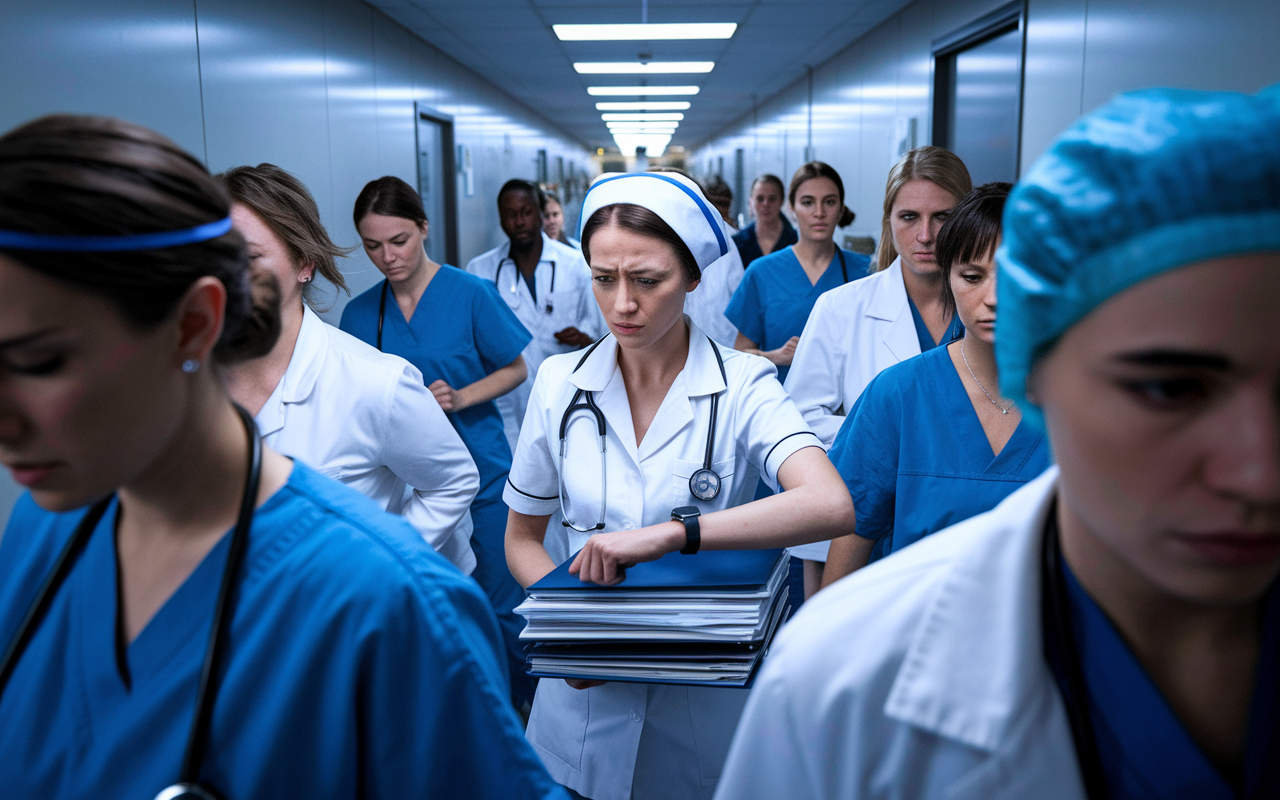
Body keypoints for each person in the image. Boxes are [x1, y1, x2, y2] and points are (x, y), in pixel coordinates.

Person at [715, 86, 1280, 799]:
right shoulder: (836, 681)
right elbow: (843, 522)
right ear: (1048, 371)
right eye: (1171, 388)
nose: (1259, 473)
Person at [0, 114, 566, 799]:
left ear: (194, 324)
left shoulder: (394, 606)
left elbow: (457, 469)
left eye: (40, 361)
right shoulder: (41, 529)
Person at [503, 170, 856, 800]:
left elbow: (829, 503)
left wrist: (673, 535)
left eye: (647, 280)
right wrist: (575, 635)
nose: (622, 305)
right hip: (580, 718)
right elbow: (523, 537)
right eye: (604, 279)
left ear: (693, 277)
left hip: (703, 715)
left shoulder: (745, 382)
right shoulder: (559, 385)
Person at [220, 163, 480, 573]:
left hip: (351, 614)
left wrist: (377, 568)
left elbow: (453, 481)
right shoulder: (184, 382)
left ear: (305, 263)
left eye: (249, 258)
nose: (226, 277)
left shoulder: (376, 382)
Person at [337, 176, 535, 705]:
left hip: (485, 475)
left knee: (503, 606)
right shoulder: (360, 315)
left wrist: (461, 398)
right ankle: (463, 714)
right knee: (435, 606)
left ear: (424, 228)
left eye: (398, 241)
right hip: (404, 491)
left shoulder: (470, 293)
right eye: (373, 246)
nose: (387, 257)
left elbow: (515, 368)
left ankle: (520, 714)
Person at [820, 182, 1051, 582]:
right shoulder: (897, 396)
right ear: (949, 277)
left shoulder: (1082, 402)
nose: (993, 297)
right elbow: (850, 538)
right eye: (972, 276)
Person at [782, 147, 972, 593]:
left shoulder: (989, 312)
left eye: (943, 217)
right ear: (888, 219)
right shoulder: (841, 309)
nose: (925, 235)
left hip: (968, 532)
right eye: (909, 217)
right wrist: (886, 440)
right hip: (868, 537)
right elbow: (796, 428)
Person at [467, 179, 605, 452]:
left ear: (540, 214)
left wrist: (585, 335)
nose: (519, 221)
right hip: (507, 396)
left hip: (567, 388)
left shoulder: (576, 263)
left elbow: (599, 324)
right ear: (501, 219)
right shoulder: (480, 270)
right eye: (510, 214)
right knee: (513, 468)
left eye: (526, 212)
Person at [726, 161, 868, 385]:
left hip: (847, 409)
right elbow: (739, 356)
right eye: (807, 203)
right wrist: (775, 357)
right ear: (791, 209)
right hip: (779, 405)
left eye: (829, 202)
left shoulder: (865, 272)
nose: (819, 213)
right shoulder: (761, 273)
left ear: (840, 209)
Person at [731, 174, 797, 268]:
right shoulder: (737, 244)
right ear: (751, 202)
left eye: (772, 199)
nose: (766, 204)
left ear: (781, 201)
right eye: (760, 199)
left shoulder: (796, 242)